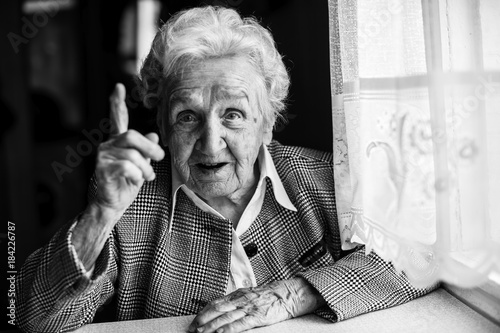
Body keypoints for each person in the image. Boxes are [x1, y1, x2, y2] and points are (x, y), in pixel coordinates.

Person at [16, 6, 434, 333]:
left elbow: (424, 253)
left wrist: (294, 294)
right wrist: (100, 215)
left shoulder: (326, 180)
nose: (211, 142)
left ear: (267, 123)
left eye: (233, 114)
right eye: (186, 117)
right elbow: (32, 318)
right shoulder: (129, 209)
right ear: (161, 124)